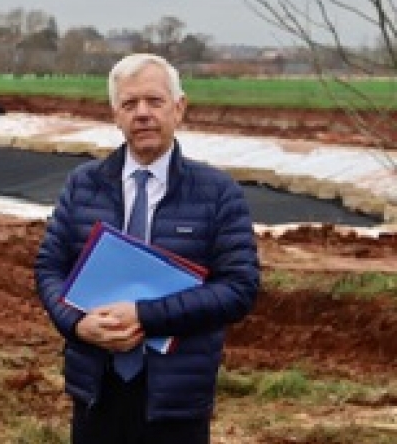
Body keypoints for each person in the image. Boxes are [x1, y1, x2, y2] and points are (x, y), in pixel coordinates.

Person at [34, 53, 260, 444]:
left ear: (179, 108)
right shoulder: (83, 185)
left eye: (154, 102)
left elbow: (239, 288)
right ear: (115, 114)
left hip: (175, 400)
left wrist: (146, 315)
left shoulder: (218, 193)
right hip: (96, 392)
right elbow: (49, 270)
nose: (142, 114)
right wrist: (77, 324)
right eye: (129, 104)